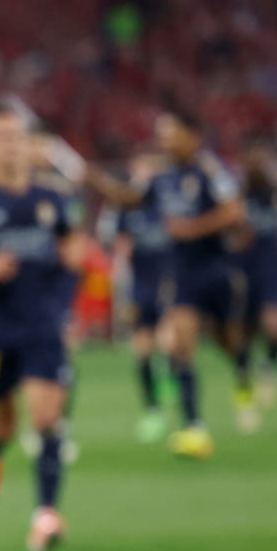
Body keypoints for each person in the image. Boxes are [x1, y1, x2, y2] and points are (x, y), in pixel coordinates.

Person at [0, 103, 88, 551]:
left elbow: (76, 249)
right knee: (5, 422)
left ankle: (46, 515)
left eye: (17, 136)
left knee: (46, 417)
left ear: (30, 144)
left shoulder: (54, 199)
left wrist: (74, 268)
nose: (11, 145)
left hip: (44, 325)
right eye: (1, 137)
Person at [83, 109, 248, 458]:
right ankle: (194, 427)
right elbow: (132, 199)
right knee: (178, 345)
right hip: (183, 275)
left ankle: (243, 370)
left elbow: (233, 212)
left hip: (217, 270)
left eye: (170, 132)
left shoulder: (211, 170)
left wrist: (192, 229)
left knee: (228, 340)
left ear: (192, 134)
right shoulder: (161, 176)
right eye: (161, 133)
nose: (164, 139)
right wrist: (97, 181)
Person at [111, 152, 177, 442]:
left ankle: (170, 385)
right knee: (141, 349)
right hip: (140, 286)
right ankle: (152, 410)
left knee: (169, 341)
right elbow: (121, 246)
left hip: (169, 285)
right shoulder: (128, 210)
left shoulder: (168, 206)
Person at [235, 139, 277, 411]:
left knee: (276, 328)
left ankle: (267, 367)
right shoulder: (237, 195)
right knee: (243, 336)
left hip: (271, 271)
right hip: (243, 272)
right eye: (253, 160)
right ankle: (244, 389)